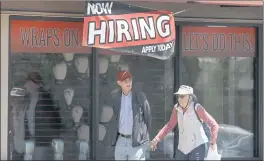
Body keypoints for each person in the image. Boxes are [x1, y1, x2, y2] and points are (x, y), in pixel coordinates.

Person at [150, 85, 219, 160]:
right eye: (178, 96)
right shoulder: (176, 108)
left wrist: (212, 142)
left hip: (197, 146)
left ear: (190, 97)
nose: (179, 99)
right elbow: (170, 125)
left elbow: (214, 125)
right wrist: (157, 139)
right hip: (182, 149)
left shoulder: (197, 108)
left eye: (182, 96)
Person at [107, 70, 151, 160]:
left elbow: (148, 117)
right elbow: (115, 117)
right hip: (121, 139)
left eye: (130, 80)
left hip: (136, 141)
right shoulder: (115, 98)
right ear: (119, 83)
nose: (128, 83)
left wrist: (145, 138)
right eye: (125, 81)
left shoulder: (140, 96)